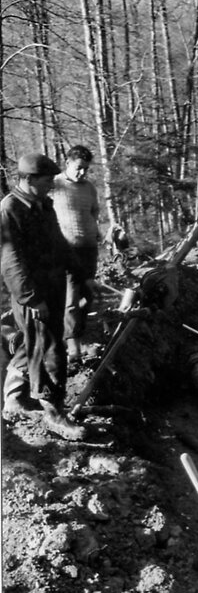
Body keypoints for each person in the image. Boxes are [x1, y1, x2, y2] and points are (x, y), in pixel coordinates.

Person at [1, 152, 88, 440]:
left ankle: (13, 398)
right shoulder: (9, 210)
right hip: (32, 293)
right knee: (50, 349)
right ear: (28, 179)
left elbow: (58, 243)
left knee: (32, 344)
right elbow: (10, 261)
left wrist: (79, 273)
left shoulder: (43, 205)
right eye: (47, 180)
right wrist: (30, 298)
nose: (52, 184)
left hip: (52, 287)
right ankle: (54, 411)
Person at [51, 145, 100, 364]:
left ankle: (79, 336)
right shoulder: (55, 185)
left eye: (86, 169)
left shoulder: (89, 188)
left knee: (87, 297)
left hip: (89, 250)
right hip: (66, 250)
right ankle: (73, 350)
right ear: (68, 162)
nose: (82, 173)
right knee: (70, 299)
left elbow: (94, 213)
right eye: (79, 168)